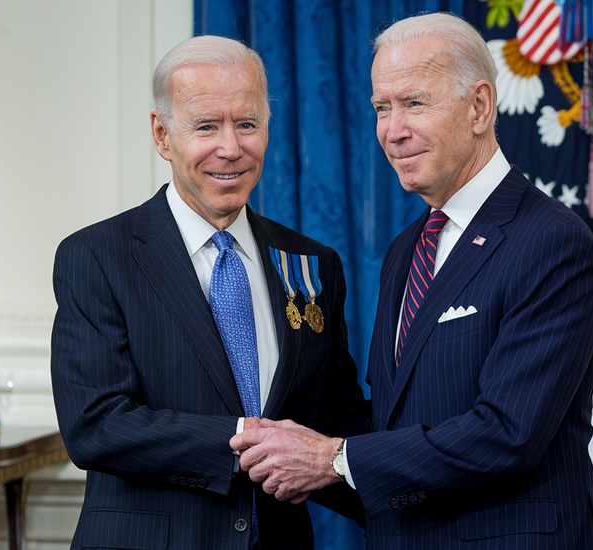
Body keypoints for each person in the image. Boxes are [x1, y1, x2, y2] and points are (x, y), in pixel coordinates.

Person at [232, 13, 593, 549]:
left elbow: (509, 434)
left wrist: (331, 459)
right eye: (382, 109)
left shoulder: (552, 242)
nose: (392, 130)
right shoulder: (405, 250)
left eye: (414, 103)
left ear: (479, 107)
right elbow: (395, 423)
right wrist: (297, 458)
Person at [51, 35, 370, 550]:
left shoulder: (314, 264)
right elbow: (95, 424)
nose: (231, 147)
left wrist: (403, 484)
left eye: (247, 124)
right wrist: (251, 441)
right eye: (206, 126)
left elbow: (332, 417)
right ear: (162, 134)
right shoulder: (97, 256)